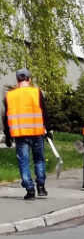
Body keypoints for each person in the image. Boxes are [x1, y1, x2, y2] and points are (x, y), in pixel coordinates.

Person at [2, 69, 51, 200]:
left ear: (17, 80)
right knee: (39, 159)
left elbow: (5, 117)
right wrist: (49, 130)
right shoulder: (36, 92)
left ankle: (30, 190)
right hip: (36, 132)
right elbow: (44, 113)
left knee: (23, 162)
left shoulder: (9, 95)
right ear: (29, 79)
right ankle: (40, 187)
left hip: (20, 134)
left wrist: (7, 135)